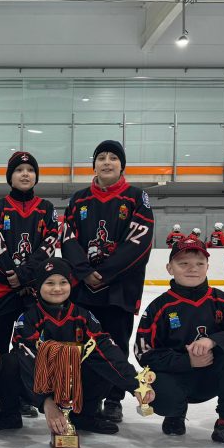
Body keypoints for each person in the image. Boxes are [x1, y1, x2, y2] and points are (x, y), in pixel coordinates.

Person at [0, 258, 153, 435]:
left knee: (102, 361)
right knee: (9, 362)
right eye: (50, 283)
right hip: (36, 386)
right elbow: (29, 362)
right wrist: (46, 401)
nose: (57, 288)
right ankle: (9, 414)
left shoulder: (84, 316)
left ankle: (84, 415)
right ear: (38, 286)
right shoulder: (28, 319)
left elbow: (107, 350)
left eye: (63, 282)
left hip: (73, 383)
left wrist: (135, 384)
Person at [134, 238, 224, 448]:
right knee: (162, 398)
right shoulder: (159, 307)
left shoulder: (223, 301)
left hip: (213, 377)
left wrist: (214, 340)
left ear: (207, 267)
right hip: (177, 377)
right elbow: (143, 353)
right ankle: (175, 413)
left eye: (199, 264)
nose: (192, 269)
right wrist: (187, 361)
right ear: (169, 268)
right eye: (183, 263)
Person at [60, 140, 153, 423]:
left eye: (113, 157)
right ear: (94, 165)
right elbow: (68, 238)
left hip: (119, 290)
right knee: (80, 344)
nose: (107, 162)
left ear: (122, 165)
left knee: (116, 344)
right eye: (101, 157)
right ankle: (81, 397)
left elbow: (139, 241)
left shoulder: (136, 197)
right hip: (83, 289)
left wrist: (105, 273)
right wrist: (83, 271)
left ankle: (113, 398)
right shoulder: (78, 199)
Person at [0, 151, 58, 354]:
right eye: (19, 170)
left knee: (32, 347)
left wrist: (23, 275)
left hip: (34, 290)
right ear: (10, 176)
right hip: (2, 290)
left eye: (30, 170)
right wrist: (12, 275)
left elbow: (49, 245)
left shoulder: (46, 208)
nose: (25, 174)